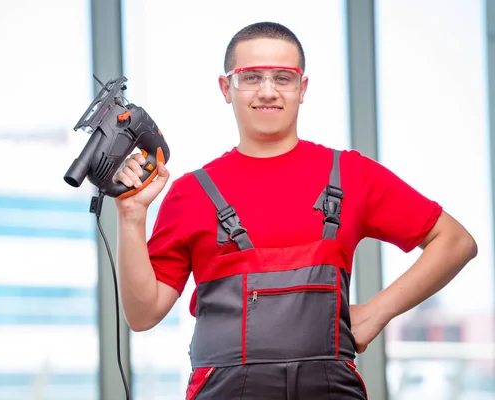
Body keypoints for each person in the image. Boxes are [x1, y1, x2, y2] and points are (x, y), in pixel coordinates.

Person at [112, 21, 478, 399]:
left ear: (302, 88)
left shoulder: (351, 174)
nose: (268, 91)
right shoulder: (190, 193)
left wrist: (377, 311)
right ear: (227, 88)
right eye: (251, 77)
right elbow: (142, 315)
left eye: (283, 78)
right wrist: (131, 216)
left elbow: (455, 242)